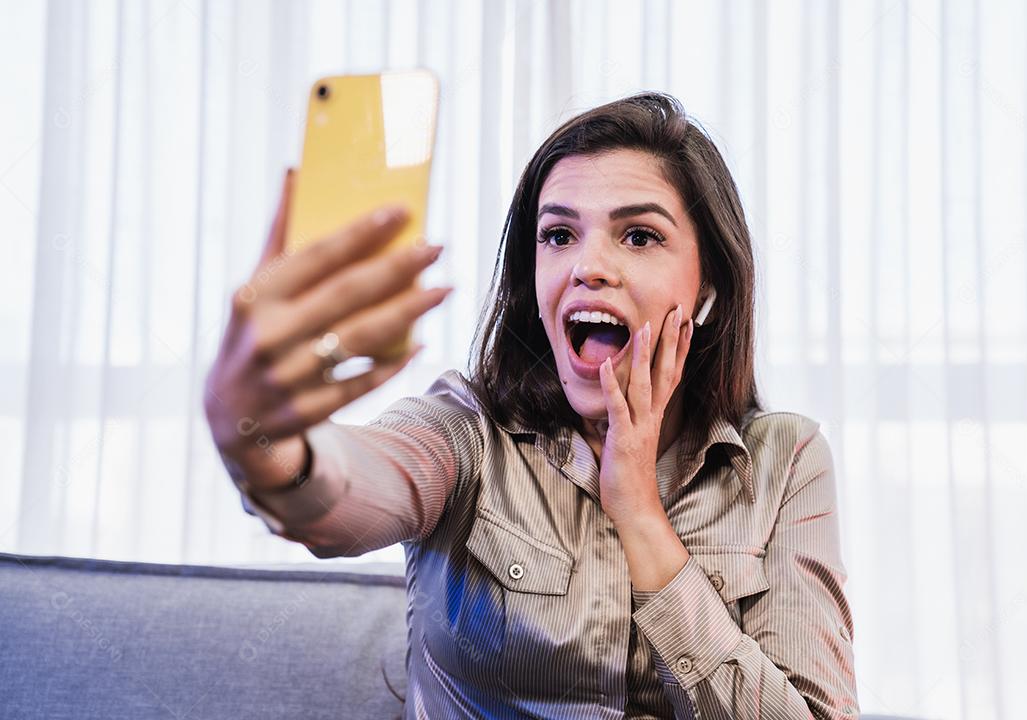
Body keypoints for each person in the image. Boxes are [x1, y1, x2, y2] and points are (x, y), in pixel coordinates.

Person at [204, 91, 859, 719]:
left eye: (638, 236)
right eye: (558, 235)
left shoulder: (786, 461)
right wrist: (256, 431)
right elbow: (334, 496)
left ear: (708, 278)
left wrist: (639, 511)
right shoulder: (465, 434)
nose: (588, 266)